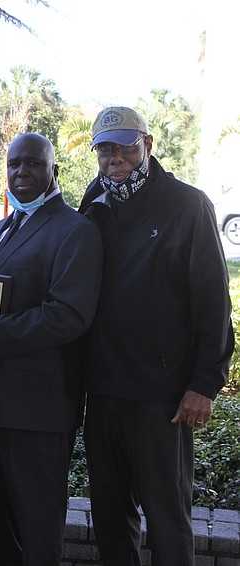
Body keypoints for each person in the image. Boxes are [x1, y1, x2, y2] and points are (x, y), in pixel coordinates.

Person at [78, 106, 234, 565]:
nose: (115, 159)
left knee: (167, 518)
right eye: (105, 150)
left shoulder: (188, 205)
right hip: (102, 392)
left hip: (161, 398)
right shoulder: (94, 200)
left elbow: (213, 301)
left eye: (125, 148)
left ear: (147, 144)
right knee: (110, 517)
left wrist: (205, 383)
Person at [0, 133, 103, 565]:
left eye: (33, 163)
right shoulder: (4, 227)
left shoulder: (76, 231)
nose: (21, 172)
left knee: (37, 527)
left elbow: (69, 315)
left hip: (37, 406)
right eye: (14, 164)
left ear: (53, 170)